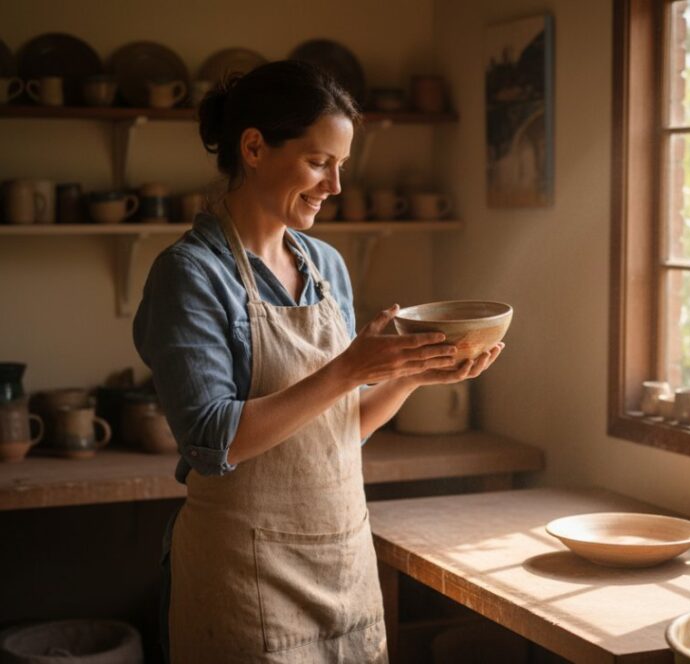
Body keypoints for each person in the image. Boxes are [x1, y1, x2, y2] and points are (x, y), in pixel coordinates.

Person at [133, 60, 503, 664]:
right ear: (254, 147)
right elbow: (211, 441)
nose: (334, 186)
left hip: (343, 563)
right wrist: (350, 369)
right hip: (245, 575)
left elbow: (339, 428)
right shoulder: (191, 274)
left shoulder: (325, 266)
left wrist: (414, 372)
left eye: (341, 167)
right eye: (318, 162)